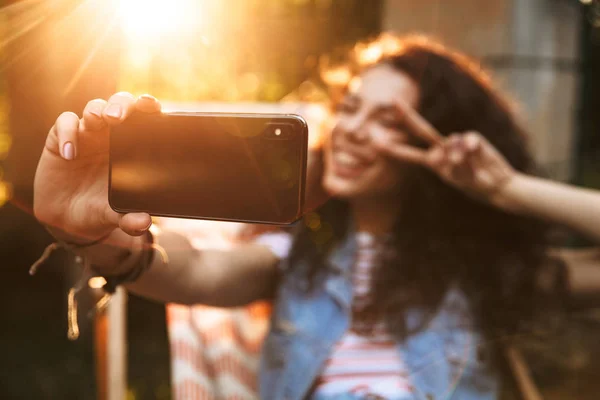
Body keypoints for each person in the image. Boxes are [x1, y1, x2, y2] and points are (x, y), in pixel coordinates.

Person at [33, 34, 600, 400]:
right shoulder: (298, 257)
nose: (354, 128)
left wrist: (506, 189)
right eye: (350, 107)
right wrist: (88, 233)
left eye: (389, 120)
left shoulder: (479, 270)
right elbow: (191, 269)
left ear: (437, 143)